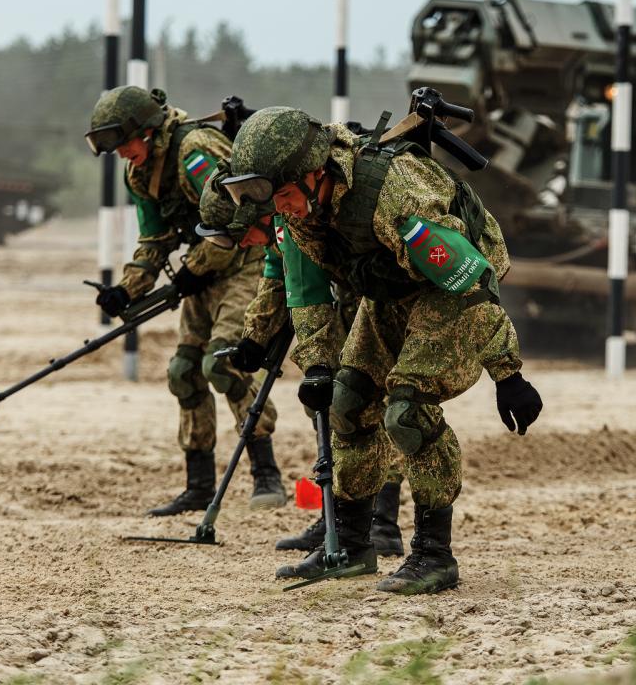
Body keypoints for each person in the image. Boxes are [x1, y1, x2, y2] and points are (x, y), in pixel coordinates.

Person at [221, 106, 543, 595]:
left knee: (407, 413)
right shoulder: (305, 212)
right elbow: (308, 297)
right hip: (392, 288)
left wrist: (507, 373)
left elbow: (470, 279)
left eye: (284, 194)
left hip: (450, 288)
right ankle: (351, 545)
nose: (281, 208)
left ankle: (435, 555)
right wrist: (318, 367)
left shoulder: (395, 197)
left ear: (313, 175)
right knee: (347, 402)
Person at [83, 86, 286, 515]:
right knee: (183, 371)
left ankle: (266, 475)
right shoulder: (139, 174)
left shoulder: (195, 151)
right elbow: (153, 239)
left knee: (223, 362)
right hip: (203, 271)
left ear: (149, 131)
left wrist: (193, 270)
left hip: (246, 260)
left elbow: (237, 218)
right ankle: (198, 486)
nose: (120, 153)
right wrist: (127, 289)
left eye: (124, 142)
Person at [197, 180, 406, 557]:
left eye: (241, 235)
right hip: (345, 306)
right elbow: (277, 276)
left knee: (370, 408)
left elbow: (304, 286)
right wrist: (254, 338)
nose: (242, 245)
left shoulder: (293, 218)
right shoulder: (282, 227)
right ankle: (338, 517)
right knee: (329, 408)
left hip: (376, 305)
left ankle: (382, 523)